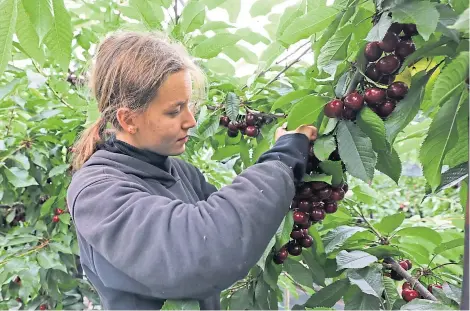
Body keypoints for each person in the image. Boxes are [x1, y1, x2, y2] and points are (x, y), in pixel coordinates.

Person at [67, 31, 317, 310]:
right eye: (174, 111)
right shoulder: (96, 191)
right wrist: (283, 158)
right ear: (128, 119)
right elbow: (204, 249)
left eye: (189, 105)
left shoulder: (181, 172)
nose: (191, 121)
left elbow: (237, 225)